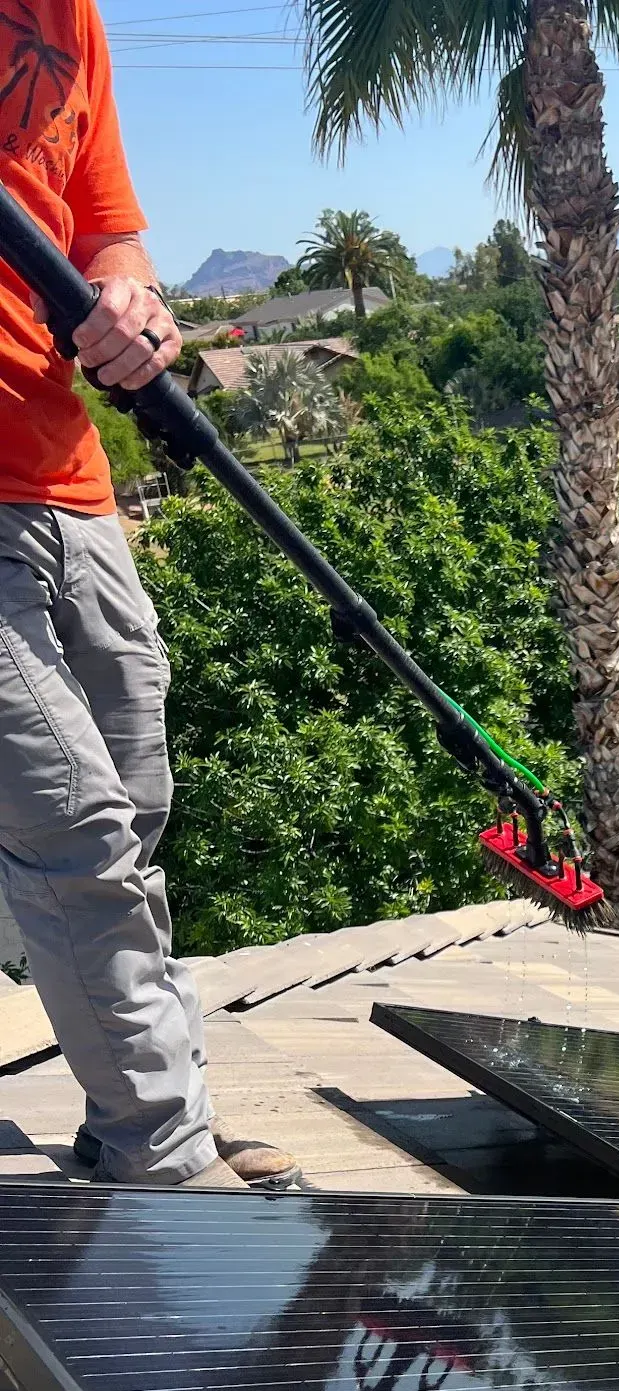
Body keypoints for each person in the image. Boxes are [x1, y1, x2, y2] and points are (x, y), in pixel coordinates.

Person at [0, 0, 295, 1189]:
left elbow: (107, 227)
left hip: (72, 479)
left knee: (132, 800)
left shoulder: (69, 16)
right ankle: (164, 1158)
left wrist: (132, 305)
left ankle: (147, 1097)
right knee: (73, 824)